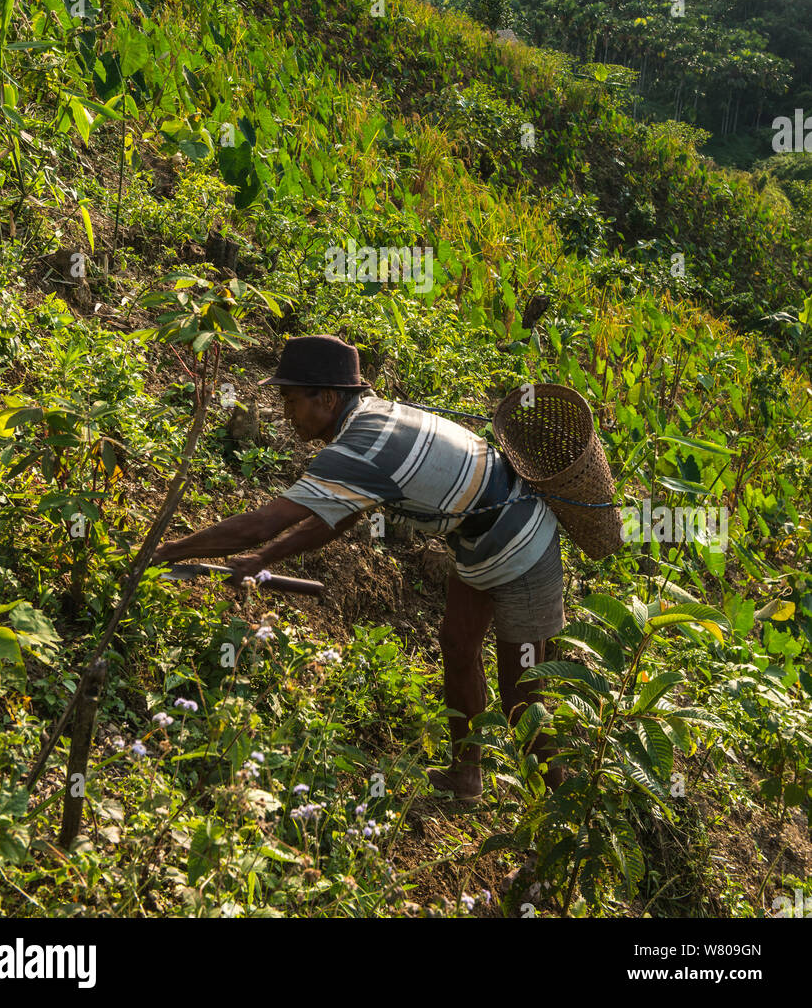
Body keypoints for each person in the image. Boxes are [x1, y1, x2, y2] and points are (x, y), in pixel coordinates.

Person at [153, 335, 565, 799]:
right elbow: (339, 514)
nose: (288, 415)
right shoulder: (371, 421)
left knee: (521, 697)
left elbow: (262, 523)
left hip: (525, 544)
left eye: (291, 401)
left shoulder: (362, 444)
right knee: (457, 645)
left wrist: (166, 551)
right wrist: (262, 561)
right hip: (480, 539)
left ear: (327, 398)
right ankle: (467, 776)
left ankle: (558, 824)